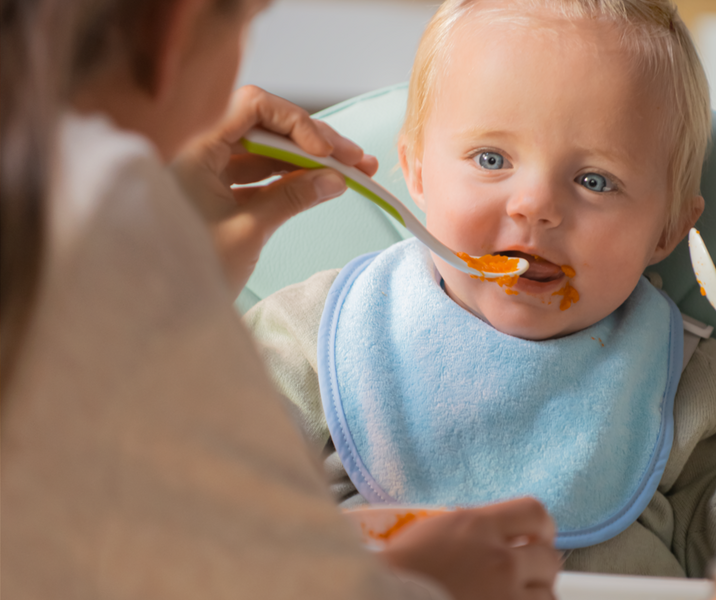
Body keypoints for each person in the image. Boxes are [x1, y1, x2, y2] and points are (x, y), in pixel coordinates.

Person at [245, 0, 716, 578]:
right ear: (417, 171)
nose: (536, 205)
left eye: (595, 180)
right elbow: (195, 486)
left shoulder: (687, 382)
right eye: (491, 159)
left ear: (668, 229)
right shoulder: (315, 333)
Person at [0, 0, 561, 598]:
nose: (535, 206)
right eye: (247, 25)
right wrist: (414, 585)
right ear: (174, 30)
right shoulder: (118, 242)